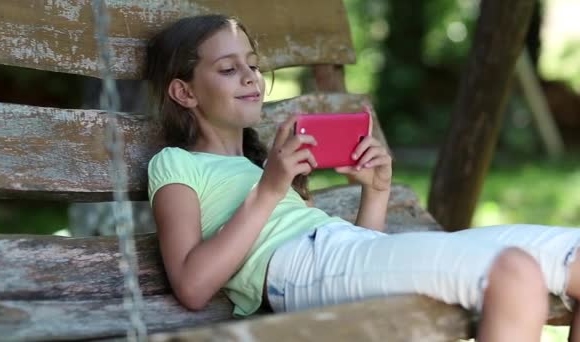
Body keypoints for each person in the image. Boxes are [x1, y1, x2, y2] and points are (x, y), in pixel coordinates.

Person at [146, 14, 580, 341]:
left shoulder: (263, 167)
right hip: (295, 270)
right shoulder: (177, 164)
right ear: (184, 92)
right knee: (513, 274)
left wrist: (375, 193)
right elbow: (192, 285)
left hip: (343, 254)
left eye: (254, 65)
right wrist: (269, 190)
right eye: (228, 69)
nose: (250, 77)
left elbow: (352, 271)